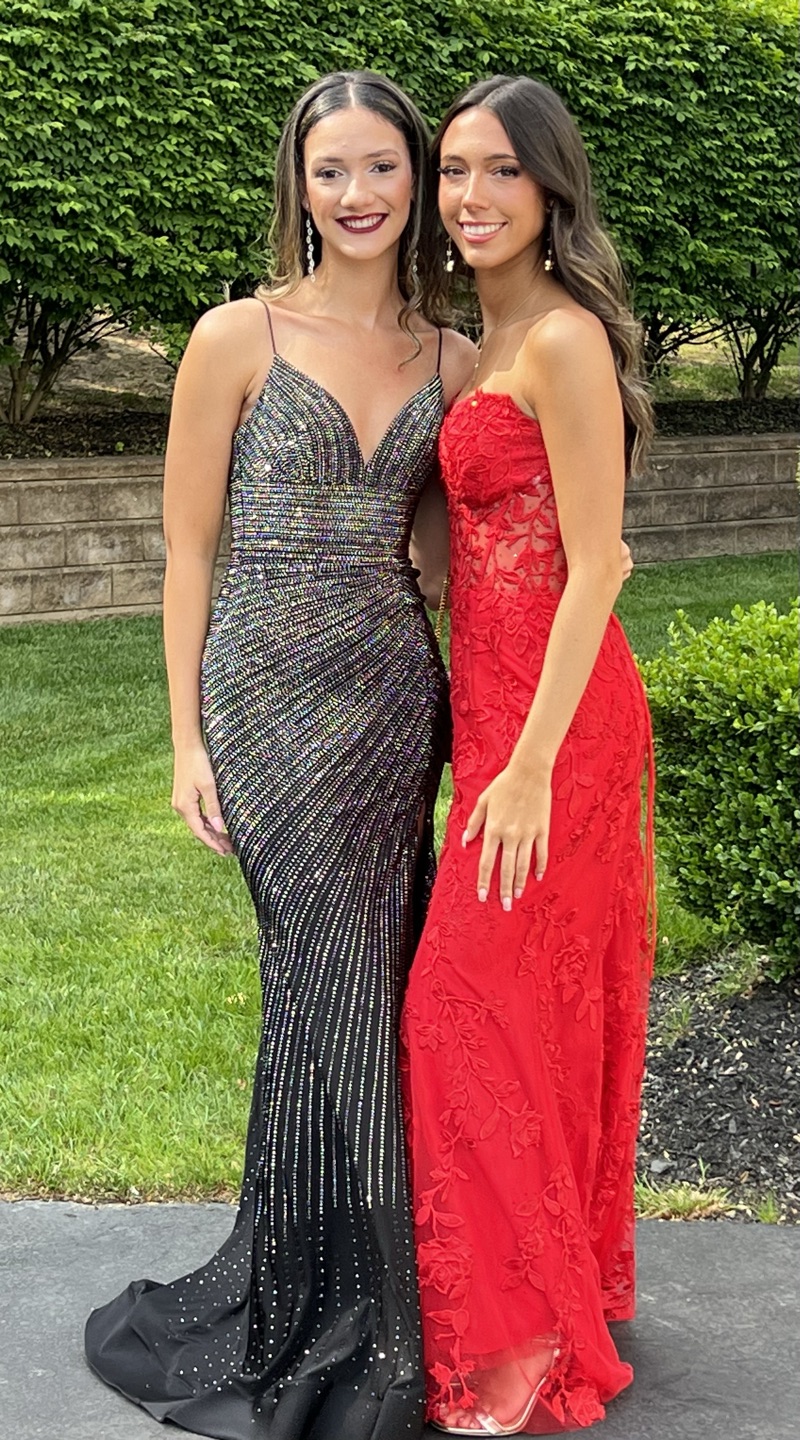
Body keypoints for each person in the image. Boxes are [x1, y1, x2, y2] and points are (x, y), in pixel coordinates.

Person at [84, 70, 477, 1440]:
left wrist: (511, 705)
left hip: (388, 698)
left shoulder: (455, 356)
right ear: (297, 185)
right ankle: (352, 1321)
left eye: (382, 169)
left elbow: (441, 551)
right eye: (332, 172)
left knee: (365, 983)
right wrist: (186, 735)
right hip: (261, 694)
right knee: (325, 985)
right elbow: (187, 545)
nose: (358, 196)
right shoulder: (233, 335)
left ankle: (332, 1290)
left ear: (417, 181)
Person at [401, 76, 655, 1436]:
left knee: (461, 1009)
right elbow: (467, 543)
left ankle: (523, 1344)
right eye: (453, 170)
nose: (470, 195)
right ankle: (543, 1289)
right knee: (528, 1015)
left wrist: (535, 762)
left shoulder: (559, 341)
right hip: (495, 722)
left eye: (499, 170)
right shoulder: (471, 340)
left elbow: (600, 558)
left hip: (560, 733)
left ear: (551, 189)